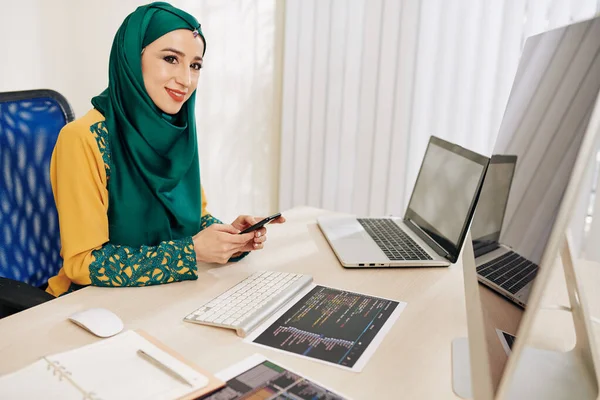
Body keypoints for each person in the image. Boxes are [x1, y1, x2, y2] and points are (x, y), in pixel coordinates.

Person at [46, 2, 284, 297]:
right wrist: (191, 252)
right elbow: (82, 264)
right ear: (133, 58)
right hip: (93, 306)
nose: (186, 80)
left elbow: (193, 220)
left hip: (166, 295)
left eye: (195, 65)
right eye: (171, 59)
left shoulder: (177, 134)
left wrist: (230, 238)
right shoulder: (84, 138)